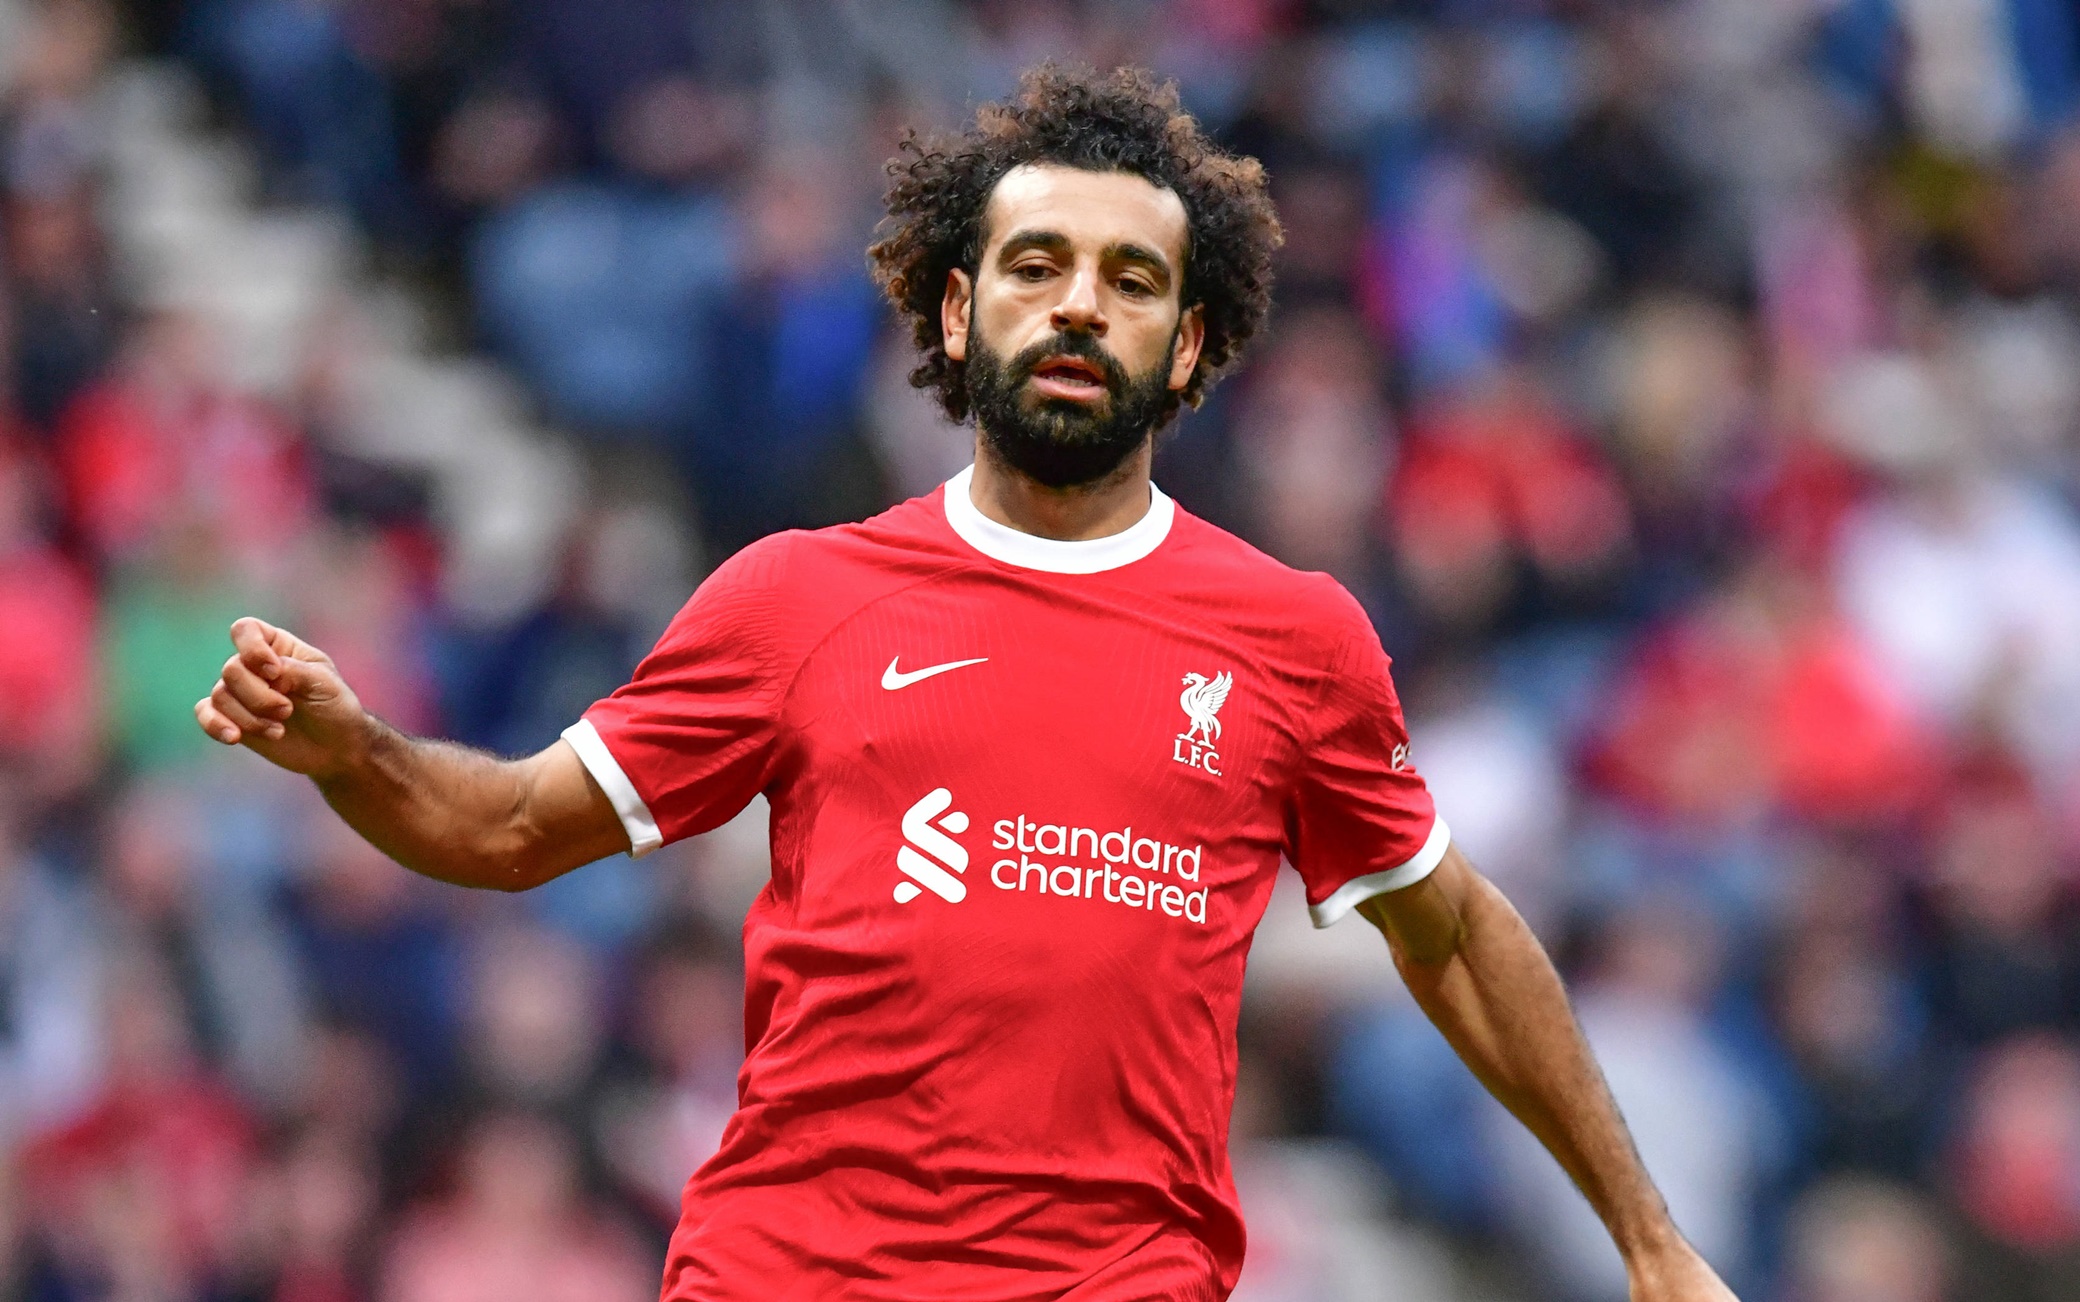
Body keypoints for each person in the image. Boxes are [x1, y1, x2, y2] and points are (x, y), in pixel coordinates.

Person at [195, 64, 1739, 1302]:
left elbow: (1453, 934)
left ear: (1191, 344)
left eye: (1132, 279)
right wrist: (354, 751)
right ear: (955, 309)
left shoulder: (1295, 637)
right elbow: (515, 828)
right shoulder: (796, 597)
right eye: (1038, 264)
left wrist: (1650, 1242)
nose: (1081, 303)